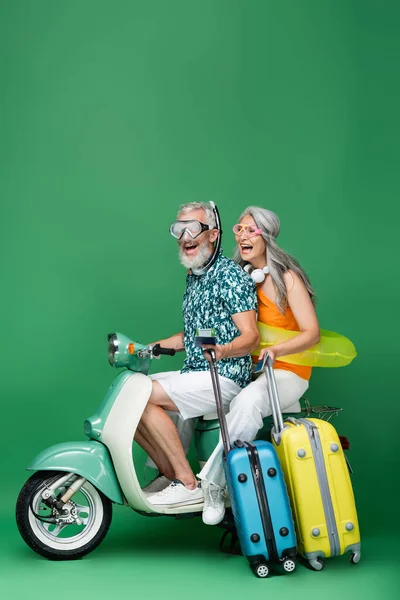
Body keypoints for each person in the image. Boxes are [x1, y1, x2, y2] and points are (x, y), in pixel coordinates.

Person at [198, 206, 320, 525]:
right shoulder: (238, 279)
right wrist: (203, 347)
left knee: (248, 402)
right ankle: (175, 480)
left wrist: (277, 350)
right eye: (239, 229)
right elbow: (213, 320)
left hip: (288, 372)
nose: (242, 236)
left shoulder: (287, 278)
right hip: (248, 371)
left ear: (266, 236)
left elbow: (312, 333)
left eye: (250, 230)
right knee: (186, 394)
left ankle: (212, 484)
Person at [136, 201, 260, 507]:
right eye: (179, 229)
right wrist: (151, 348)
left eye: (193, 228)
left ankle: (186, 482)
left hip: (225, 376)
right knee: (130, 392)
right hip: (197, 371)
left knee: (144, 394)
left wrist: (222, 350)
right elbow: (198, 334)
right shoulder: (196, 276)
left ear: (214, 235)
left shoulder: (228, 276)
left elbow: (251, 337)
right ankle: (170, 475)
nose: (185, 236)